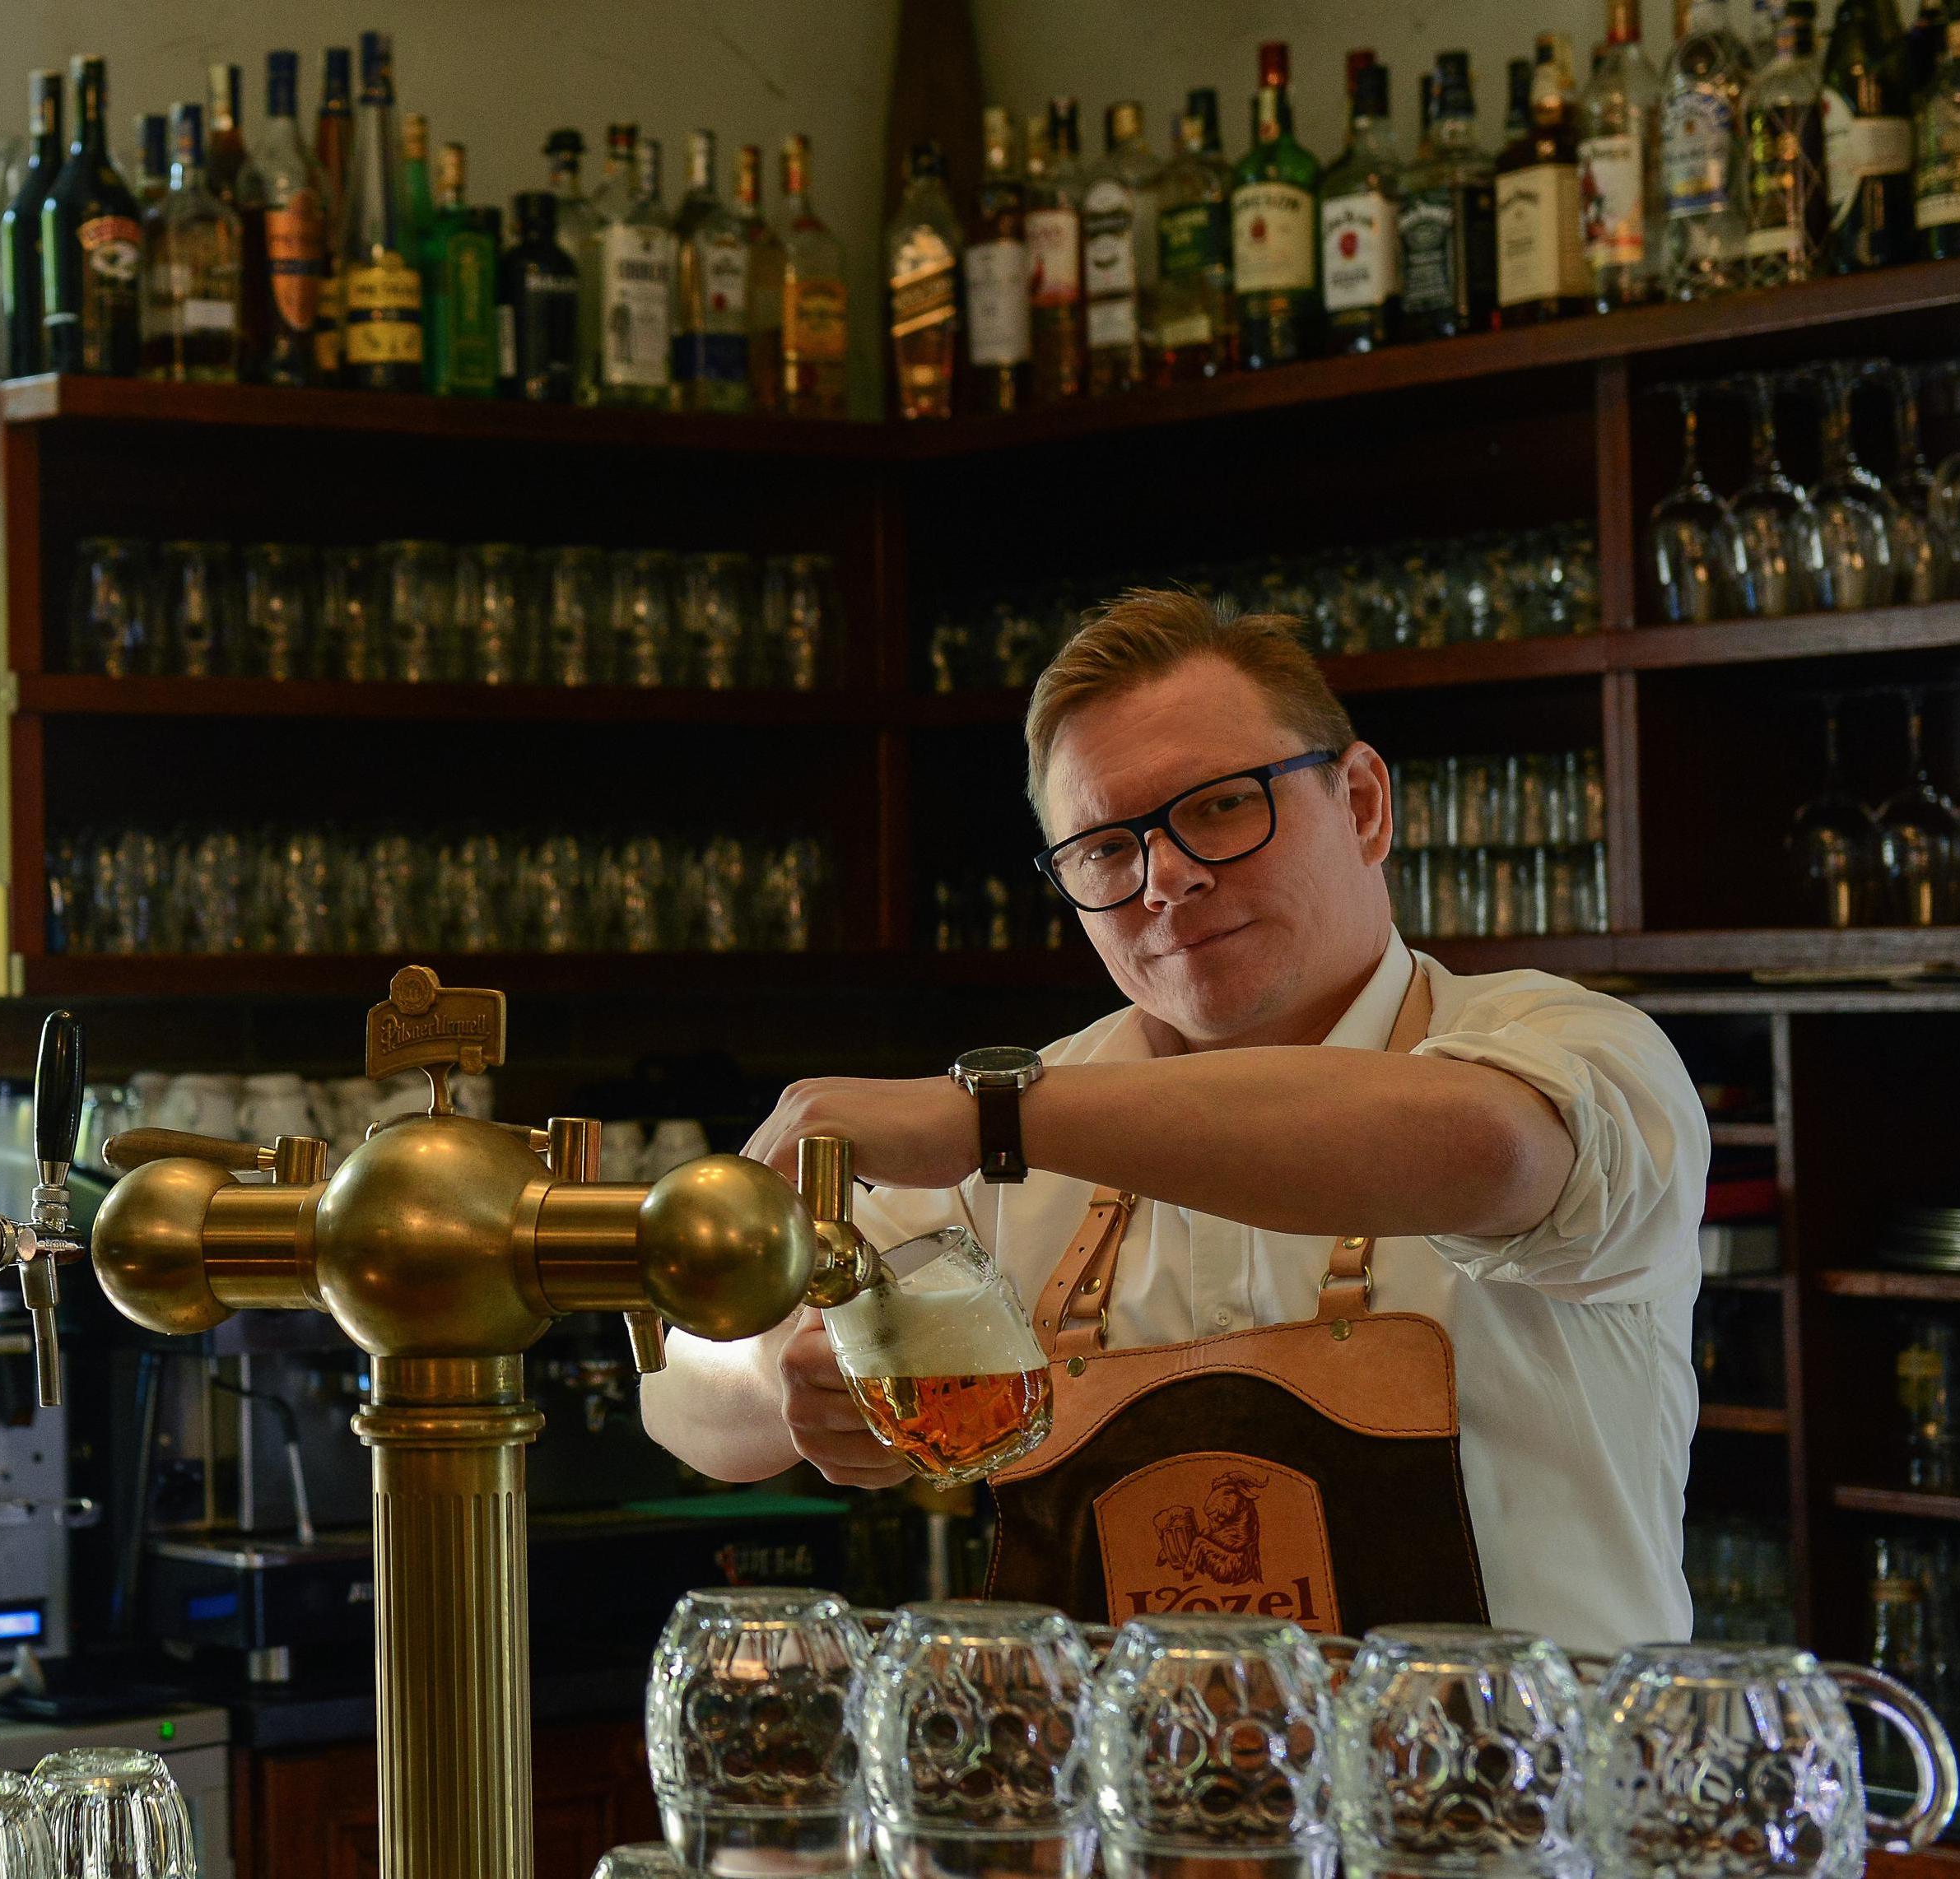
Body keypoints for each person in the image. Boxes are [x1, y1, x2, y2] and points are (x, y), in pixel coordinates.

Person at [639, 589, 1704, 1648]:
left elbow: (1488, 1151)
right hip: (1135, 1810)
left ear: (1365, 802)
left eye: (1221, 804)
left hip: (1528, 1808)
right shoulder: (1022, 1121)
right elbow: (677, 1379)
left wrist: (991, 1119)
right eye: (1106, 847)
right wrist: (779, 1380)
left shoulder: (1564, 1047)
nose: (1168, 877)